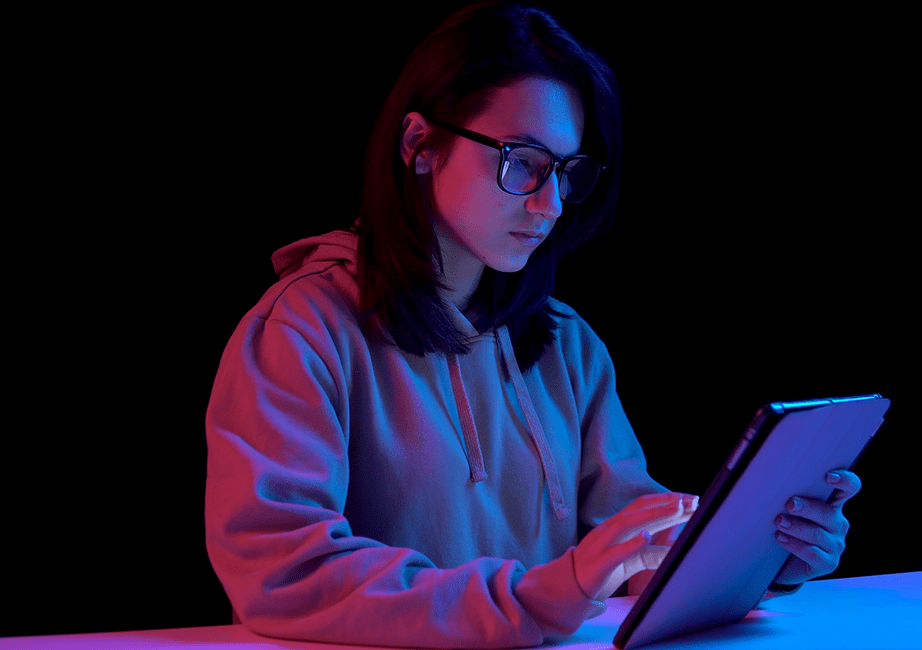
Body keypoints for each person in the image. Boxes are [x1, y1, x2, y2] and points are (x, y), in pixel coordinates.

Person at [204, 3, 861, 647]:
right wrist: (536, 598)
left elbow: (627, 550)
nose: (550, 204)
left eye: (567, 172)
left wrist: (763, 552)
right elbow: (282, 571)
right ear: (419, 144)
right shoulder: (301, 330)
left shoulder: (566, 344)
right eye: (522, 160)